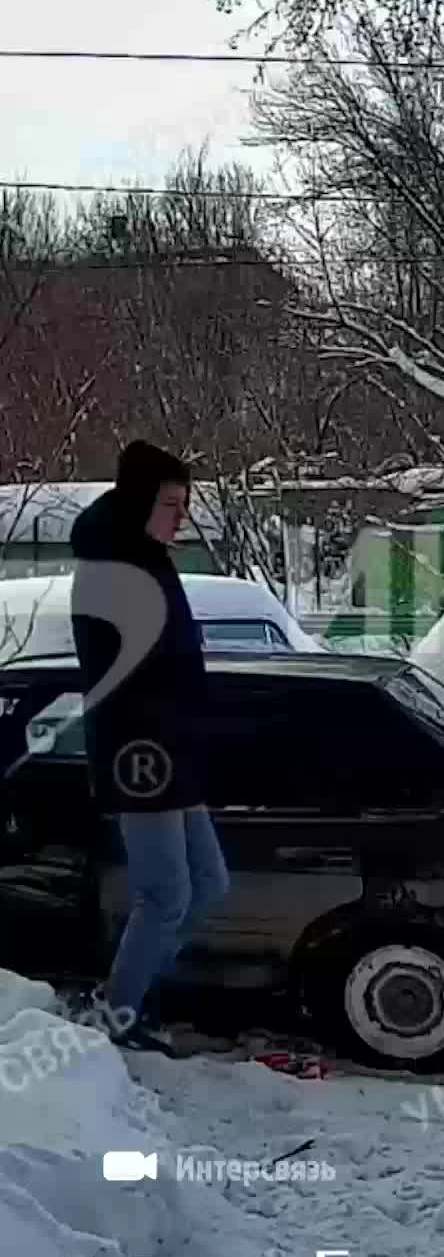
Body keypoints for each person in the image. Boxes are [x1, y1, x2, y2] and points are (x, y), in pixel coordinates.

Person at [70, 441, 230, 1051]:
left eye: (185, 503)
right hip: (143, 754)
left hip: (174, 747)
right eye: (170, 503)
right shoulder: (113, 569)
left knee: (208, 885)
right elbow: (123, 679)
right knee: (166, 893)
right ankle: (118, 1018)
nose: (180, 516)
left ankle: (129, 997)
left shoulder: (146, 555)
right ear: (139, 501)